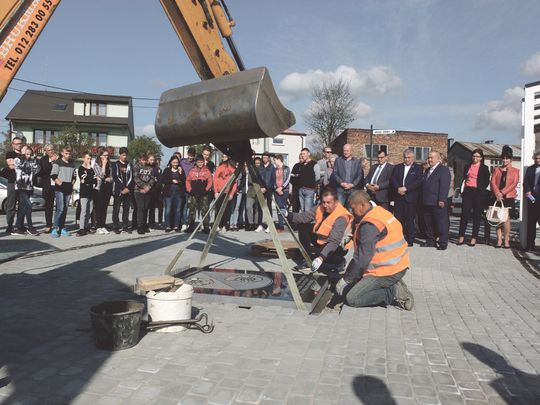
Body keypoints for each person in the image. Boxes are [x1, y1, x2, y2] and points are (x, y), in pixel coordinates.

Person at [334, 190, 414, 310]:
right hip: (398, 265)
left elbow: (362, 258)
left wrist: (346, 279)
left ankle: (392, 292)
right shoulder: (378, 212)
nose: (352, 211)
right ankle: (392, 283)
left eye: (353, 208)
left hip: (385, 271)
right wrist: (351, 234)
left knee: (352, 298)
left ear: (362, 205)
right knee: (356, 282)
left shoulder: (370, 225)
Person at [287, 187, 353, 273]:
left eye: (328, 202)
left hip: (338, 246)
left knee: (322, 255)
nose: (325, 205)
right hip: (323, 240)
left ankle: (339, 261)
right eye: (323, 202)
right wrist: (287, 214)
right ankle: (307, 259)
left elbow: (334, 241)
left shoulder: (342, 216)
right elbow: (304, 217)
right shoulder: (320, 207)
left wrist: (320, 258)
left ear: (336, 202)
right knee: (303, 226)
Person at [457, 149, 490, 247]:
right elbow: (464, 178)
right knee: (465, 214)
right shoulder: (467, 166)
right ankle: (461, 236)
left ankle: (474, 238)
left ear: (481, 158)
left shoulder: (484, 168)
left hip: (478, 192)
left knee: (477, 216)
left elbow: (486, 181)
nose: (475, 158)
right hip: (468, 191)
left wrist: (481, 189)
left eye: (477, 156)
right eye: (474, 156)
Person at [390, 149, 423, 246]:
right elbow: (393, 179)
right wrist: (398, 188)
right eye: (405, 157)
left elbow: (418, 181)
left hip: (410, 197)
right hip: (399, 197)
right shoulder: (397, 167)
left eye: (409, 158)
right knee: (398, 219)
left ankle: (410, 239)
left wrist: (406, 188)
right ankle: (398, 238)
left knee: (410, 220)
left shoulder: (417, 168)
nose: (406, 159)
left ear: (413, 158)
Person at [490, 146, 519, 249]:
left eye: (507, 158)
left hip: (508, 197)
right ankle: (499, 240)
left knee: (506, 219)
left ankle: (506, 240)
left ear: (511, 159)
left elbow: (514, 184)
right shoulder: (496, 169)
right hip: (497, 196)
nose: (505, 160)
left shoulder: (516, 171)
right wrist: (497, 193)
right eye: (503, 158)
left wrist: (502, 192)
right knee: (497, 218)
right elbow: (492, 182)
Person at [421, 151, 451, 250]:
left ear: (438, 159)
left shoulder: (443, 170)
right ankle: (430, 240)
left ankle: (443, 242)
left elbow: (444, 186)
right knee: (428, 223)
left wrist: (442, 199)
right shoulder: (427, 170)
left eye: (432, 158)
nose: (429, 160)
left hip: (437, 201)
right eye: (428, 157)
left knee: (441, 223)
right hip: (427, 201)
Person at [13, 146, 40, 235]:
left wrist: (35, 157)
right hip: (20, 187)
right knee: (29, 205)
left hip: (28, 187)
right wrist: (22, 156)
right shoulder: (18, 160)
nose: (28, 156)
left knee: (23, 208)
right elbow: (18, 164)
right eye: (27, 154)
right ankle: (30, 227)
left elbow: (37, 169)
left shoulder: (31, 162)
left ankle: (17, 227)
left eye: (30, 154)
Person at [50, 147, 76, 237]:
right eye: (66, 153)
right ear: (62, 153)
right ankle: (55, 228)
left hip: (68, 189)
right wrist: (61, 184)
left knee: (65, 209)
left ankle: (62, 228)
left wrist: (71, 184)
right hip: (59, 189)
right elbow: (53, 175)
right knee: (60, 209)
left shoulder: (72, 164)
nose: (68, 155)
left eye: (69, 153)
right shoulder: (58, 162)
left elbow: (74, 177)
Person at [185, 154, 213, 233]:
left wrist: (206, 189)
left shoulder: (206, 170)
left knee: (205, 210)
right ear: (196, 162)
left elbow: (210, 181)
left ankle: (206, 227)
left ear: (203, 162)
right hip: (193, 194)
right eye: (198, 162)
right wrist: (189, 190)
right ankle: (191, 226)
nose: (200, 163)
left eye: (201, 162)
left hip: (204, 194)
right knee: (192, 210)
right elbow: (187, 181)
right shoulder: (192, 170)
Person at [2, 137, 24, 234]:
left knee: (22, 205)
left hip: (23, 183)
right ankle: (10, 226)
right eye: (17, 143)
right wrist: (23, 163)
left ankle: (20, 225)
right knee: (11, 205)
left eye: (20, 143)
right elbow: (11, 166)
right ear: (13, 145)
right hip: (13, 182)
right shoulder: (10, 154)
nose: (19, 145)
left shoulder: (25, 154)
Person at [333, 143, 364, 209]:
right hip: (340, 189)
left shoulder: (357, 161)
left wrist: (353, 184)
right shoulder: (338, 160)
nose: (345, 152)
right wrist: (341, 183)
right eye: (344, 151)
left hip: (352, 189)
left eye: (347, 151)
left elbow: (359, 175)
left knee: (351, 209)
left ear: (351, 151)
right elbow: (335, 173)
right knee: (339, 209)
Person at [161, 155, 186, 232]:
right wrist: (172, 181)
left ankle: (176, 226)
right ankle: (168, 226)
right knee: (168, 210)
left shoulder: (180, 170)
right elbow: (163, 180)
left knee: (177, 210)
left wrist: (180, 172)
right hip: (169, 193)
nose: (175, 164)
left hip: (178, 193)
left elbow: (184, 180)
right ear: (171, 162)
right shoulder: (167, 170)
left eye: (177, 162)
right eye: (174, 162)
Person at [111, 147, 133, 234]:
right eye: (123, 155)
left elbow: (131, 177)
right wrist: (123, 188)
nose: (125, 157)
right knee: (116, 209)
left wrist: (127, 188)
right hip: (119, 191)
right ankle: (115, 226)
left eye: (126, 155)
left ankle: (125, 226)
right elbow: (116, 177)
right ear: (119, 155)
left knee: (126, 209)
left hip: (127, 191)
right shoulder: (115, 164)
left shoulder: (129, 165)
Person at [213, 155, 238, 232]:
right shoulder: (219, 167)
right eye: (223, 157)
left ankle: (224, 225)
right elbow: (215, 179)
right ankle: (217, 225)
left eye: (226, 157)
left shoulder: (233, 169)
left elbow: (235, 183)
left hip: (228, 192)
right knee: (218, 209)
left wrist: (232, 193)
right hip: (220, 192)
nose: (224, 158)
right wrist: (216, 191)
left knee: (226, 210)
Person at [133, 153, 155, 235]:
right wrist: (143, 187)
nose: (144, 161)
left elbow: (152, 178)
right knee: (141, 208)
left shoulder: (150, 168)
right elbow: (136, 178)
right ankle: (140, 226)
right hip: (138, 190)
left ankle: (145, 225)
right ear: (139, 159)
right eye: (143, 160)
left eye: (145, 160)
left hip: (147, 190)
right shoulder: (136, 167)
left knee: (146, 208)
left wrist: (148, 187)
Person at [76, 152, 97, 236]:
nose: (89, 160)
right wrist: (89, 173)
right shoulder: (81, 168)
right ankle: (81, 228)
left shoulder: (91, 169)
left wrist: (90, 178)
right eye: (88, 158)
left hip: (91, 191)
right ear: (84, 158)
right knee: (84, 210)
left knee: (90, 210)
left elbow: (95, 180)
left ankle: (85, 226)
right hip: (84, 192)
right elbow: (84, 180)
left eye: (90, 159)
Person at [523, 150, 540, 252]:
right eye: (536, 158)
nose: (537, 160)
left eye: (539, 158)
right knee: (531, 224)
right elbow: (526, 182)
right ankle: (530, 245)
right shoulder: (530, 169)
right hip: (532, 200)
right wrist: (528, 191)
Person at [39, 144, 58, 233]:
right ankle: (48, 225)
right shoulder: (43, 160)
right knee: (49, 207)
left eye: (52, 149)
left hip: (58, 185)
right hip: (49, 186)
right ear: (46, 151)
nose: (51, 151)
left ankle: (58, 225)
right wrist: (52, 161)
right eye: (49, 150)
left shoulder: (59, 158)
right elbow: (45, 170)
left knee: (60, 207)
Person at [93, 147, 113, 235]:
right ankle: (98, 226)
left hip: (107, 187)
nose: (106, 157)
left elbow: (112, 176)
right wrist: (104, 165)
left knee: (105, 208)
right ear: (100, 156)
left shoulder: (110, 164)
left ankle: (103, 225)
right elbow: (101, 175)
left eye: (107, 155)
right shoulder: (96, 164)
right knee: (99, 208)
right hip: (99, 188)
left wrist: (110, 179)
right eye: (104, 155)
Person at [256, 152, 276, 232]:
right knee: (260, 206)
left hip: (269, 189)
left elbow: (273, 179)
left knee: (269, 207)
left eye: (266, 157)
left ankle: (269, 225)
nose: (264, 159)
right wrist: (261, 187)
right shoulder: (260, 167)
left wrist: (266, 188)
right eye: (263, 157)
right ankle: (260, 224)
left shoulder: (271, 167)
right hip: (261, 189)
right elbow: (258, 178)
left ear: (268, 158)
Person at [296, 148, 320, 213]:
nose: (302, 155)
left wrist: (313, 185)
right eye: (301, 154)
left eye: (304, 154)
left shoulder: (314, 164)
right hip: (301, 189)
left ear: (308, 154)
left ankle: (308, 220)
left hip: (309, 190)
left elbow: (317, 177)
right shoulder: (301, 165)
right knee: (302, 210)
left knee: (308, 210)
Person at [180, 147, 196, 231]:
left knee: (192, 206)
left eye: (192, 156)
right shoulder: (182, 162)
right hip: (184, 186)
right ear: (187, 154)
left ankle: (191, 223)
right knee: (185, 205)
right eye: (189, 155)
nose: (190, 157)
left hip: (192, 187)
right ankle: (184, 223)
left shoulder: (195, 163)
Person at [273, 154, 291, 232]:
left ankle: (286, 221)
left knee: (283, 207)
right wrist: (277, 188)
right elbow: (272, 179)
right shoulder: (274, 169)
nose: (274, 162)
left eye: (275, 160)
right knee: (278, 207)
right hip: (276, 191)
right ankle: (281, 226)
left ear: (279, 160)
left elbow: (288, 179)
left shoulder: (287, 168)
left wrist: (281, 187)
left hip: (284, 190)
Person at [147, 154, 163, 230]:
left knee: (152, 208)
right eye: (151, 160)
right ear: (148, 160)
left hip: (154, 190)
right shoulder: (145, 167)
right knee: (145, 208)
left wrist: (156, 187)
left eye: (153, 160)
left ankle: (152, 224)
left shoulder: (156, 168)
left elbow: (159, 180)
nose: (152, 161)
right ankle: (144, 224)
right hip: (146, 190)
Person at [245, 157, 261, 230]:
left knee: (257, 209)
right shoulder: (251, 170)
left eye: (258, 163)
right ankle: (250, 223)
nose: (257, 165)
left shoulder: (261, 170)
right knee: (248, 207)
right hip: (251, 191)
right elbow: (250, 180)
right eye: (256, 163)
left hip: (259, 191)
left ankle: (256, 223)